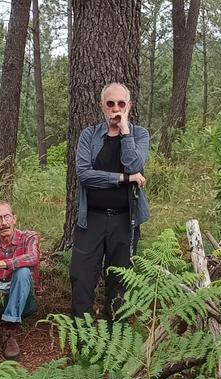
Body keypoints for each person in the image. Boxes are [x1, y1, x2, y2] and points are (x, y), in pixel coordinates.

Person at [70, 82, 151, 321]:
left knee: (119, 282)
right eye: (110, 103)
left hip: (125, 220)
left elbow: (135, 164)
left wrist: (125, 131)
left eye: (121, 103)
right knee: (81, 278)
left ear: (129, 106)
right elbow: (84, 174)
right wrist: (123, 178)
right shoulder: (89, 135)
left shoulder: (140, 135)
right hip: (91, 219)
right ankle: (81, 339)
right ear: (102, 106)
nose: (116, 109)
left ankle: (114, 340)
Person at [0, 201, 39, 360]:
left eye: (7, 217)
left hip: (24, 302)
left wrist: (5, 264)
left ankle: (9, 330)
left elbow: (33, 257)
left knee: (23, 272)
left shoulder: (28, 237)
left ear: (14, 219)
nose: (4, 223)